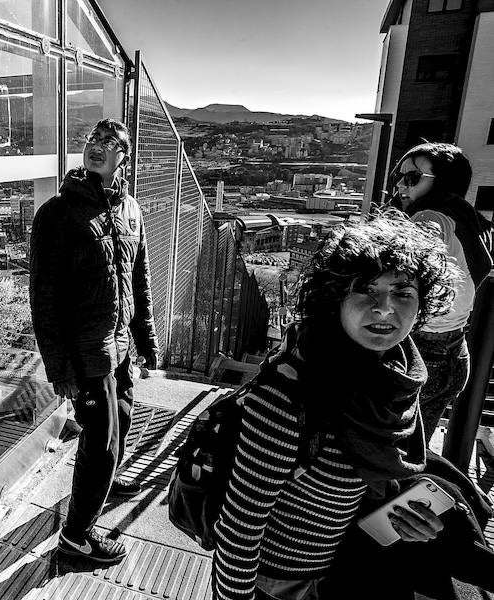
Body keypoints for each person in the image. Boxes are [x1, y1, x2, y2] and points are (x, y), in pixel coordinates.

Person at [211, 210, 457, 600]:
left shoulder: (395, 383)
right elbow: (239, 528)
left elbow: (366, 487)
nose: (384, 308)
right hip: (278, 583)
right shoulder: (290, 395)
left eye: (403, 293)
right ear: (335, 299)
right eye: (366, 289)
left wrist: (410, 523)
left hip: (343, 568)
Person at [30, 118, 159, 564]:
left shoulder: (132, 210)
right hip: (87, 354)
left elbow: (138, 282)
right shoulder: (58, 213)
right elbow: (44, 299)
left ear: (124, 157)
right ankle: (77, 535)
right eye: (92, 140)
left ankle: (105, 478)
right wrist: (60, 369)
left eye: (110, 143)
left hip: (120, 346)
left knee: (118, 428)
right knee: (101, 440)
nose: (98, 147)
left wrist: (147, 342)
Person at [391, 142, 493, 443]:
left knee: (389, 449)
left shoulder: (428, 218)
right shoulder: (466, 218)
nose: (399, 184)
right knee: (414, 448)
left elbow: (406, 264)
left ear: (443, 182)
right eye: (400, 175)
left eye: (412, 178)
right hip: (455, 352)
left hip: (422, 353)